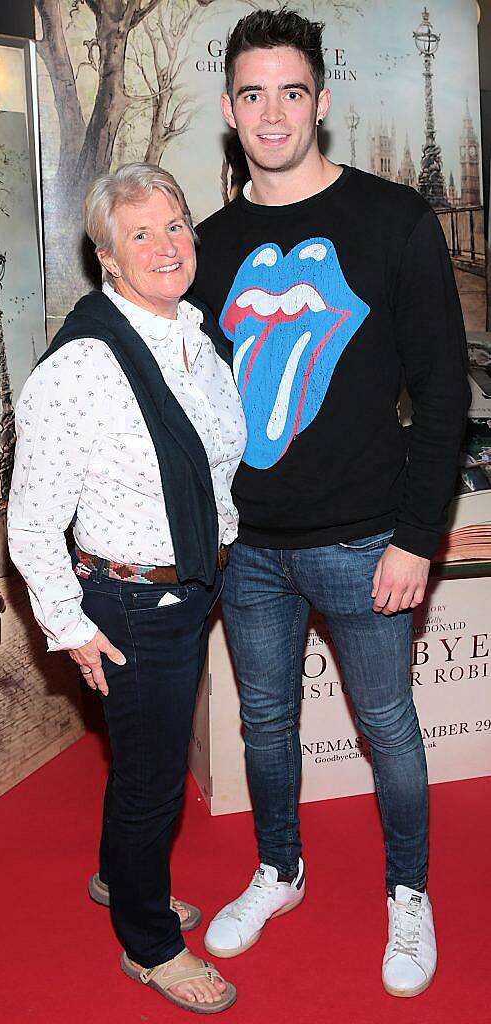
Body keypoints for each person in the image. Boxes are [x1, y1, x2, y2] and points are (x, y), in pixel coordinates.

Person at [192, 8, 470, 999]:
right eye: (254, 93)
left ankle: (408, 888)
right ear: (230, 110)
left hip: (366, 542)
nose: (274, 112)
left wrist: (417, 539)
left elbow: (446, 391)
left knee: (388, 724)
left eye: (292, 91)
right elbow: (193, 406)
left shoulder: (392, 220)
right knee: (264, 723)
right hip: (248, 550)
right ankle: (280, 868)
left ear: (321, 101)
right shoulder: (209, 244)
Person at [8, 163, 246, 1014]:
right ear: (106, 257)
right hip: (132, 607)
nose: (165, 245)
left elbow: (219, 470)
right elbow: (30, 519)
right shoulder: (83, 366)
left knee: (142, 759)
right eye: (139, 234)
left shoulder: (194, 337)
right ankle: (150, 944)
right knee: (151, 782)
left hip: (188, 590)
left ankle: (119, 876)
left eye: (175, 224)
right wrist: (68, 626)